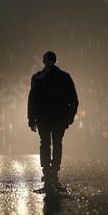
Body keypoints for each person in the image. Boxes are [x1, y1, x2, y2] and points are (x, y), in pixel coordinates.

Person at [28, 51, 78, 189]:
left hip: (43, 117)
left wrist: (31, 119)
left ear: (43, 61)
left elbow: (32, 100)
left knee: (44, 143)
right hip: (59, 117)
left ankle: (47, 171)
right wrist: (70, 115)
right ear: (56, 60)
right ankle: (54, 171)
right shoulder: (65, 77)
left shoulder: (37, 78)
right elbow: (73, 99)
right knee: (57, 143)